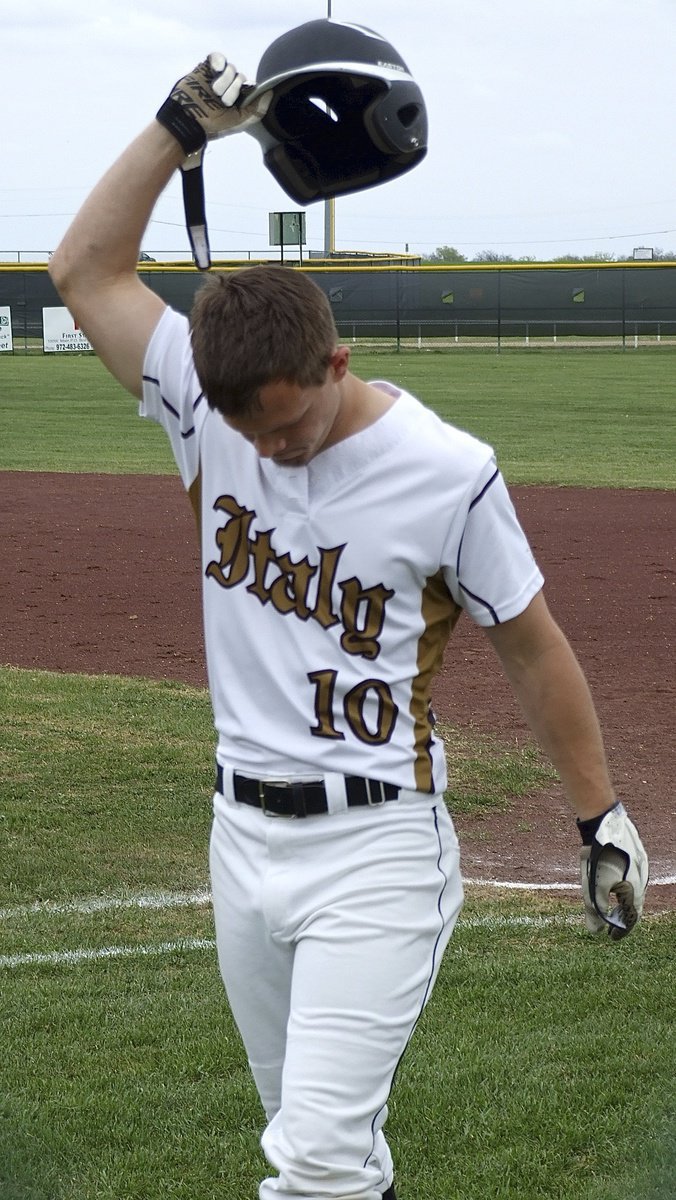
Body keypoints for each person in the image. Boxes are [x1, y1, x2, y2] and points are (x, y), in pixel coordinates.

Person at [49, 52, 649, 1200]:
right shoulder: (205, 403)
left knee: (312, 1166)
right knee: (329, 1152)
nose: (265, 454)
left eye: (286, 427)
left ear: (335, 361)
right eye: (247, 434)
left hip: (376, 848)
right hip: (240, 842)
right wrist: (179, 127)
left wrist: (598, 815)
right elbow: (84, 267)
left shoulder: (447, 473)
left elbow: (530, 642)